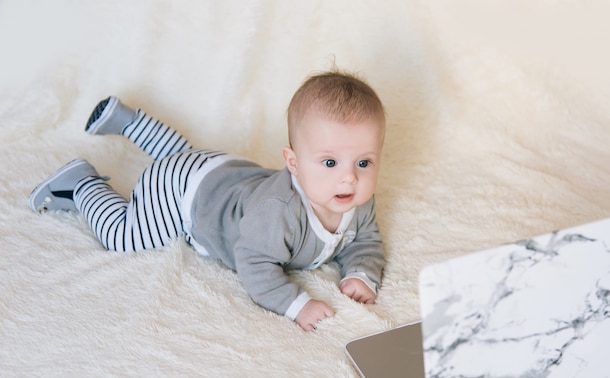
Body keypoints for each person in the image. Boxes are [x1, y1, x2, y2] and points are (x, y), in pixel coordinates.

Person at [29, 70, 386, 331]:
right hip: (185, 193)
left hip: (226, 170)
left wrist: (361, 273)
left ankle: (126, 121)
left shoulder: (356, 200)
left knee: (184, 153)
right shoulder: (277, 213)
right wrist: (297, 304)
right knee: (125, 236)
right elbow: (254, 264)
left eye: (364, 162)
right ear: (292, 162)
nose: (349, 177)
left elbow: (366, 240)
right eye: (329, 162)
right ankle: (81, 185)